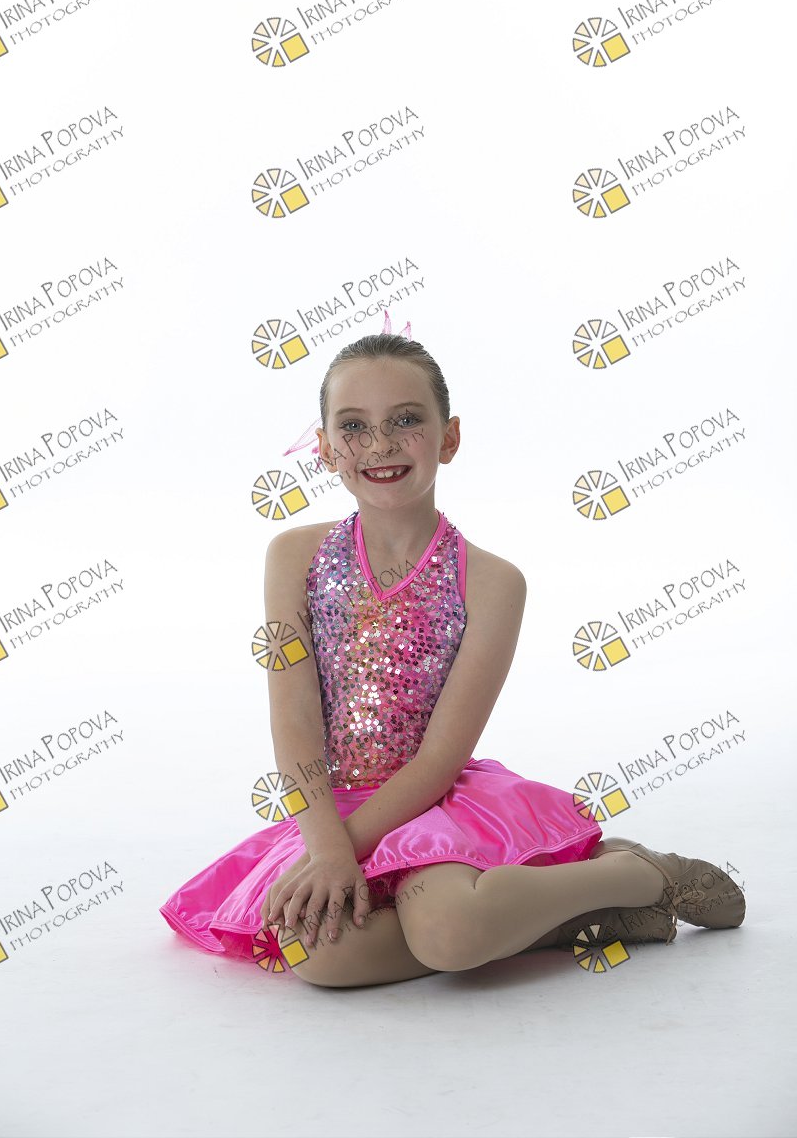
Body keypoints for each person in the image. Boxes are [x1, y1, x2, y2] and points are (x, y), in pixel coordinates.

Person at [159, 321, 745, 986]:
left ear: (450, 437)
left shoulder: (493, 583)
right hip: (331, 810)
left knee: (447, 932)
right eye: (353, 426)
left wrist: (342, 854)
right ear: (323, 447)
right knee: (315, 954)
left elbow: (440, 757)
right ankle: (568, 919)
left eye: (407, 420)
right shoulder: (293, 556)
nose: (380, 443)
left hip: (435, 803)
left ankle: (637, 875)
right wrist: (326, 848)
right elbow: (292, 721)